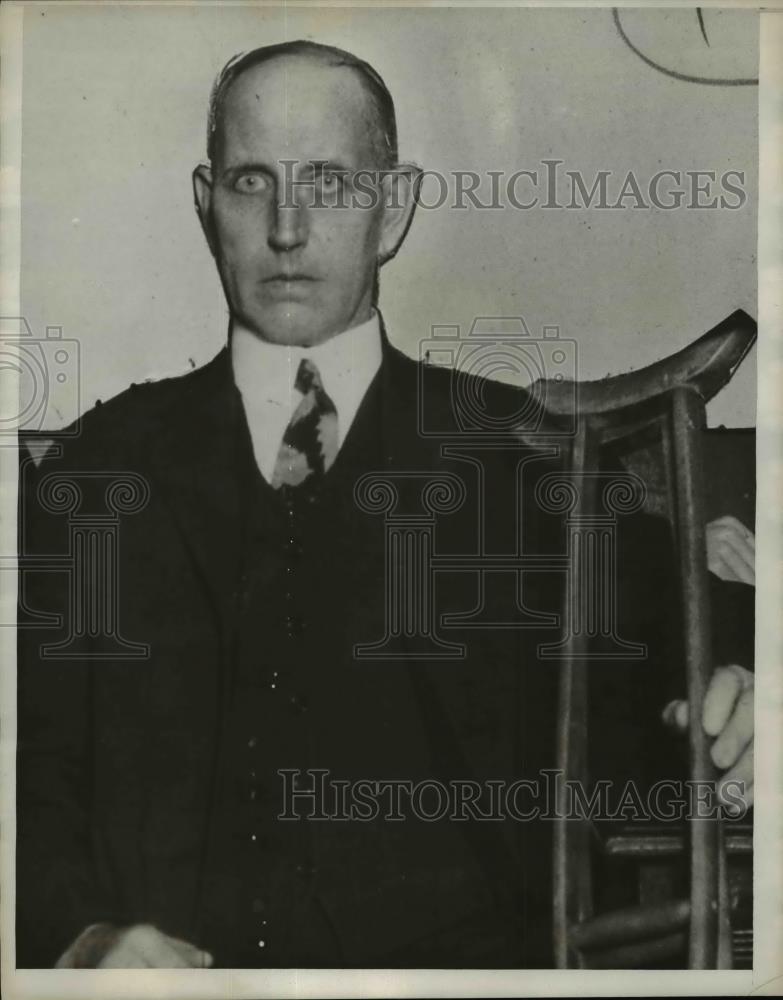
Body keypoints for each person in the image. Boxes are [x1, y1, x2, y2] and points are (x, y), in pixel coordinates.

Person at [16, 40, 755, 970]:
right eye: (252, 181)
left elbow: (687, 632)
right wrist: (83, 941)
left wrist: (741, 676)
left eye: (326, 181)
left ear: (393, 207)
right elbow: (29, 783)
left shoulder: (519, 450)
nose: (287, 226)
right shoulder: (99, 469)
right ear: (207, 208)